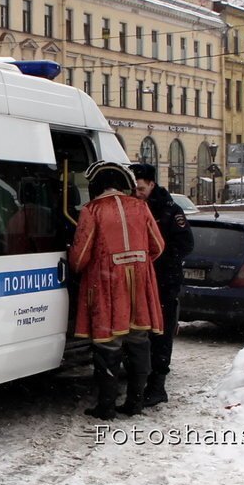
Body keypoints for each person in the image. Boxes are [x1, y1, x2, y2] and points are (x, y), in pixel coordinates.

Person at [69, 161, 164, 420]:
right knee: (138, 342)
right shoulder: (140, 206)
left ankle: (106, 406)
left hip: (108, 284)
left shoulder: (92, 210)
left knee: (108, 344)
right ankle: (135, 401)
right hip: (140, 283)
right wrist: (138, 261)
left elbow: (79, 257)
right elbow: (158, 246)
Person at [129, 163, 194, 408]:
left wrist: (159, 259)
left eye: (141, 188)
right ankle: (139, 381)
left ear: (152, 184)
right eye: (134, 188)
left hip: (164, 281)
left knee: (161, 333)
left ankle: (157, 386)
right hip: (141, 280)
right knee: (139, 332)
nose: (137, 192)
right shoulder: (134, 206)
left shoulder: (170, 210)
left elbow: (186, 245)